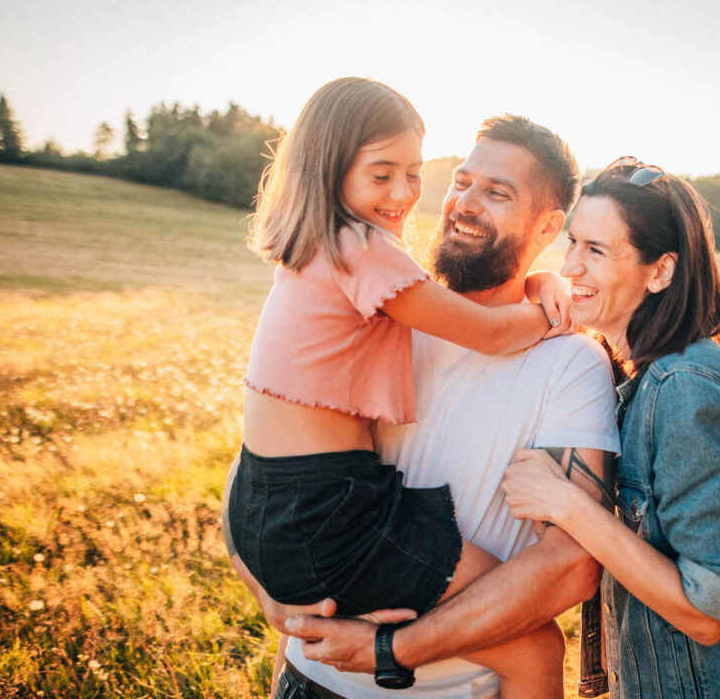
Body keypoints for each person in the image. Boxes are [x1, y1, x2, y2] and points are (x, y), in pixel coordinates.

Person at [227, 78, 579, 697]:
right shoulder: (364, 251)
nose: (404, 194)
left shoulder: (312, 251)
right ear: (330, 170)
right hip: (331, 512)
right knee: (532, 639)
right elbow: (491, 336)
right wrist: (551, 300)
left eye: (414, 174)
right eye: (381, 174)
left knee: (515, 623)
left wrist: (534, 277)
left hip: (271, 500)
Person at [501, 158, 720, 698]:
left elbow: (709, 611)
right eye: (572, 243)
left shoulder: (685, 388)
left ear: (661, 271)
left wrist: (567, 505)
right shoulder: (636, 373)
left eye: (596, 251)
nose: (572, 266)